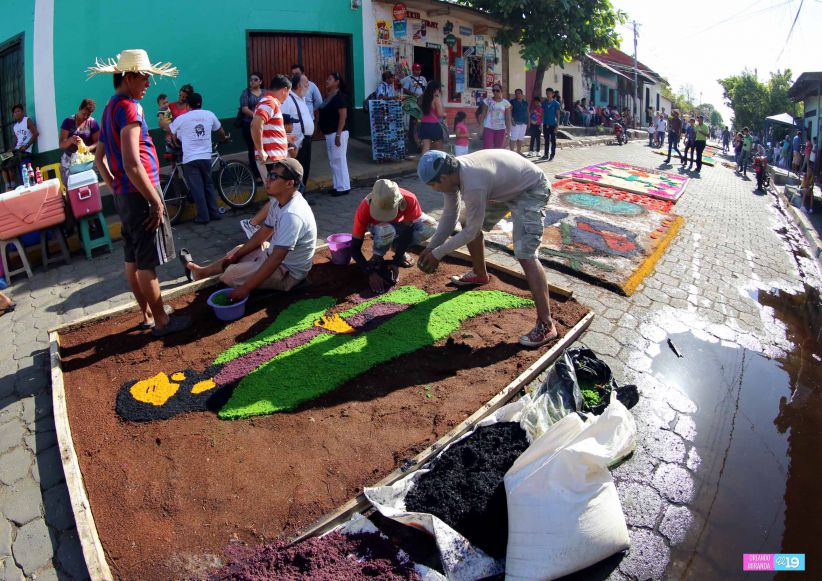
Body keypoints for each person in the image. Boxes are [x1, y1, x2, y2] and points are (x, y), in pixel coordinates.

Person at [89, 49, 188, 337]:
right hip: (140, 191)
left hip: (125, 193)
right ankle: (162, 321)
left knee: (132, 257)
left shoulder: (109, 108)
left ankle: (147, 314)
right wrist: (155, 200)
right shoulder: (131, 108)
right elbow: (132, 163)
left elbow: (99, 159)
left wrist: (115, 188)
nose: (148, 83)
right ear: (129, 77)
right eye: (145, 76)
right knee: (146, 261)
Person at [416, 149, 556, 347]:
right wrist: (431, 247)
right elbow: (449, 216)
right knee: (466, 219)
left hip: (531, 189)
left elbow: (472, 232)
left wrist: (437, 254)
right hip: (506, 186)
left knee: (525, 253)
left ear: (444, 178)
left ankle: (546, 324)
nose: (433, 189)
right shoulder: (451, 173)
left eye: (432, 185)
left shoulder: (472, 184)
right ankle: (480, 274)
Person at [184, 158, 316, 299]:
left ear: (289, 183)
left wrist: (246, 288)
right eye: (269, 174)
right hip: (273, 255)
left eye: (274, 176)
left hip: (288, 272)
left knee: (230, 275)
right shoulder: (278, 201)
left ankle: (242, 282)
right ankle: (202, 272)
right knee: (237, 251)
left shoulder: (292, 215)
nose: (268, 180)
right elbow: (262, 234)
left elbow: (277, 259)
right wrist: (237, 256)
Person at [350, 179, 438, 293]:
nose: (384, 217)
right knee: (386, 229)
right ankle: (377, 255)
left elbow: (408, 230)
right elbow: (354, 248)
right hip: (379, 229)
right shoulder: (364, 209)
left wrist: (396, 261)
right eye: (381, 213)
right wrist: (369, 272)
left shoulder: (409, 199)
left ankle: (396, 247)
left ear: (400, 203)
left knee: (430, 226)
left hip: (400, 224)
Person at [169, 92, 227, 224]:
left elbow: (173, 134)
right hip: (206, 157)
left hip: (190, 158)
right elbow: (220, 131)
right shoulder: (209, 114)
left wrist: (176, 143)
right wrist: (224, 138)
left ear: (187, 105)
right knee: (208, 184)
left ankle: (203, 217)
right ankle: (214, 213)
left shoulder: (181, 118)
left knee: (197, 188)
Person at [251, 74, 291, 186]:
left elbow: (263, 128)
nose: (287, 96)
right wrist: (260, 150)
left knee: (281, 192)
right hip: (271, 159)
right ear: (284, 90)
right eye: (289, 92)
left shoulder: (268, 102)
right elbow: (255, 125)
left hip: (273, 158)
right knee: (280, 192)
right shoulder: (269, 102)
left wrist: (285, 138)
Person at [319, 72, 351, 197]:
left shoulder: (340, 96)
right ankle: (337, 185)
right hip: (329, 133)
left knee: (339, 160)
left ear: (337, 82)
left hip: (338, 133)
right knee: (333, 161)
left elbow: (343, 117)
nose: (327, 81)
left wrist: (338, 135)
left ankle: (344, 187)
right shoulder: (328, 96)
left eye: (330, 79)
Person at [281, 74, 315, 185]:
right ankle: (297, 193)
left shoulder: (302, 99)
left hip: (306, 140)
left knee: (305, 169)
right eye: (306, 83)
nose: (308, 85)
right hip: (297, 143)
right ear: (299, 85)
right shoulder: (288, 100)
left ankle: (302, 193)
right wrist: (291, 144)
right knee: (297, 172)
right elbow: (284, 123)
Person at [58, 98, 100, 185]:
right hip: (70, 162)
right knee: (72, 186)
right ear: (79, 109)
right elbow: (61, 144)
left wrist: (88, 148)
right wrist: (70, 140)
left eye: (88, 115)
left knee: (90, 184)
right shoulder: (68, 122)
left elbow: (98, 142)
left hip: (87, 162)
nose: (85, 117)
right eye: (84, 113)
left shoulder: (92, 123)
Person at [1, 104, 38, 190]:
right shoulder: (15, 126)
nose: (17, 113)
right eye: (15, 112)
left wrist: (26, 145)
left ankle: (13, 186)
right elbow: (18, 140)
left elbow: (35, 134)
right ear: (13, 114)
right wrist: (11, 149)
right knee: (2, 158)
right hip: (16, 150)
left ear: (22, 112)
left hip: (24, 151)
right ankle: (8, 186)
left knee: (11, 162)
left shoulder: (27, 120)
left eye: (18, 111)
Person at [239, 72, 265, 183]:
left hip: (264, 125)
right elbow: (244, 109)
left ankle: (266, 172)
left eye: (255, 79)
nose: (252, 82)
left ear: (260, 81)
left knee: (264, 148)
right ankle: (256, 174)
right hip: (249, 125)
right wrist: (256, 116)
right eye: (251, 80)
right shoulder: (246, 93)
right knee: (253, 149)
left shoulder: (265, 93)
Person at [480, 83, 511, 150]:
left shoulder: (506, 103)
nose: (495, 92)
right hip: (489, 127)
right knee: (487, 148)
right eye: (493, 90)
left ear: (501, 91)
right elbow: (483, 115)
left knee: (498, 149)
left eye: (497, 90)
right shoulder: (487, 101)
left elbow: (508, 118)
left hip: (501, 128)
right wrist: (481, 129)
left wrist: (509, 131)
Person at [419, 81, 445, 154]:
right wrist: (445, 114)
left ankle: (424, 161)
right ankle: (439, 161)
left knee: (426, 147)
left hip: (424, 124)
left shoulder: (422, 98)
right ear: (436, 89)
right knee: (439, 149)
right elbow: (440, 113)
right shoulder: (436, 98)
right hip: (434, 125)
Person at [541, 87, 560, 160]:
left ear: (553, 94)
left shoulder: (556, 104)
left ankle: (552, 154)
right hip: (545, 124)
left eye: (549, 94)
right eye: (547, 94)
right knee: (546, 140)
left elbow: (558, 115)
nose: (548, 95)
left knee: (553, 140)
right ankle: (546, 154)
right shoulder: (544, 103)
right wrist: (541, 123)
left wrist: (557, 126)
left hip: (553, 125)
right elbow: (542, 114)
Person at [509, 89, 529, 154]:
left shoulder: (525, 103)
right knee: (513, 138)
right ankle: (511, 153)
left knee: (520, 138)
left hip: (524, 122)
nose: (518, 94)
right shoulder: (512, 102)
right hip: (515, 122)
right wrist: (511, 120)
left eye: (519, 93)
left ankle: (519, 151)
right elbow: (509, 111)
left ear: (522, 94)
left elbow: (527, 112)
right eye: (516, 93)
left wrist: (528, 122)